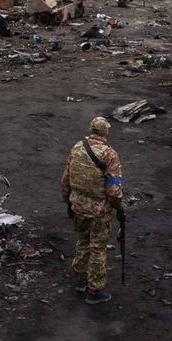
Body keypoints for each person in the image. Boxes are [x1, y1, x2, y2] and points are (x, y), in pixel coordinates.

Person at [61, 117, 124, 304]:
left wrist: (68, 202)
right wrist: (118, 207)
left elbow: (66, 178)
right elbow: (114, 189)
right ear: (106, 132)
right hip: (99, 211)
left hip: (78, 206)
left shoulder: (77, 148)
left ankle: (80, 280)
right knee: (98, 248)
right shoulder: (110, 155)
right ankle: (94, 290)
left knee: (82, 241)